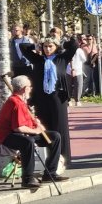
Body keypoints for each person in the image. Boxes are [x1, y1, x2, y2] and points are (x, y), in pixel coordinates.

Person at [0, 76, 70, 188]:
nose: (31, 89)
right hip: (8, 136)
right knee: (27, 142)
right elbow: (18, 128)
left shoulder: (21, 101)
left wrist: (36, 123)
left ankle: (50, 172)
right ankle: (27, 178)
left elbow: (25, 122)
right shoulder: (15, 102)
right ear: (25, 89)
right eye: (29, 87)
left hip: (21, 133)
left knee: (55, 137)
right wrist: (36, 130)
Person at [20, 36, 77, 166]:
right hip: (41, 97)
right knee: (44, 126)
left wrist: (62, 43)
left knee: (60, 127)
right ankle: (48, 158)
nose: (47, 49)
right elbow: (22, 47)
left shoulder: (62, 58)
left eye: (50, 46)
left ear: (56, 47)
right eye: (45, 46)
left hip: (58, 97)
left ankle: (63, 158)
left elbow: (74, 45)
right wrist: (36, 46)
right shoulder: (38, 59)